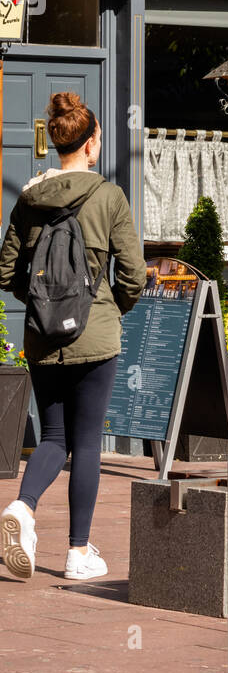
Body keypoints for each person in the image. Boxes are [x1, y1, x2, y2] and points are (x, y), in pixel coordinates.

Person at [0, 93, 147, 582]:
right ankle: (78, 552)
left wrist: (41, 301)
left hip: (42, 337)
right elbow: (133, 276)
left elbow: (5, 272)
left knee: (54, 437)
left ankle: (22, 507)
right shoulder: (109, 196)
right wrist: (109, 309)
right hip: (96, 335)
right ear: (91, 143)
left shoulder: (29, 197)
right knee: (86, 443)